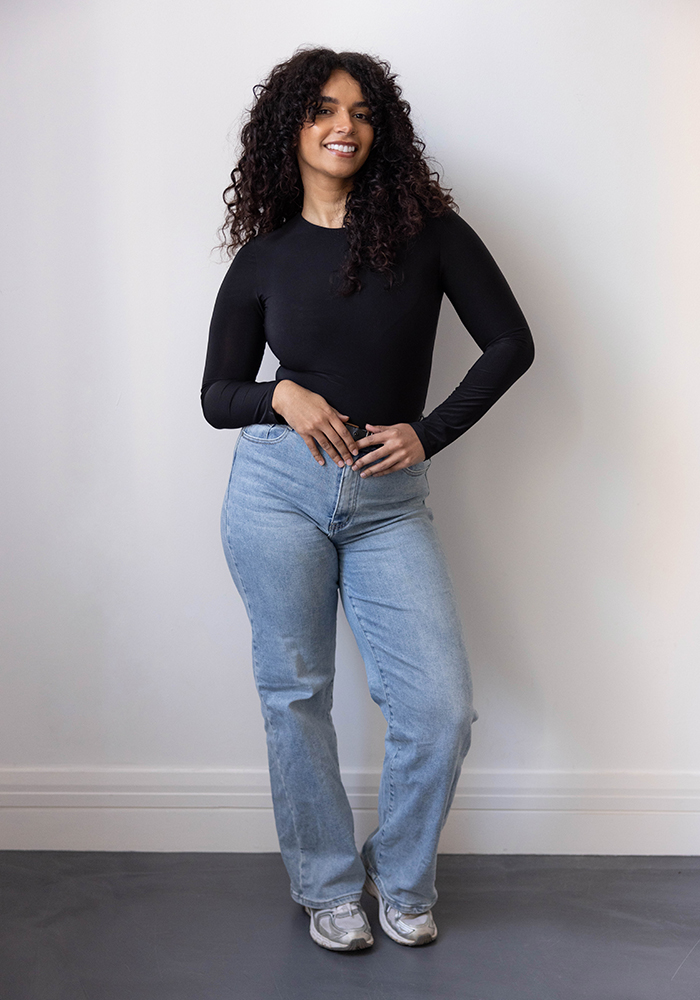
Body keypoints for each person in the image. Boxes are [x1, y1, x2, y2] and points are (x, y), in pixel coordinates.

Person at [201, 46, 534, 951]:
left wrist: (430, 431)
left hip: (390, 501)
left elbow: (510, 342)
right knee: (296, 693)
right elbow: (216, 397)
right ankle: (327, 887)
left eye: (361, 111)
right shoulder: (264, 258)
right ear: (291, 129)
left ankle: (400, 873)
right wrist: (281, 394)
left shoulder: (432, 235)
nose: (343, 126)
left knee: (439, 709)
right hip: (278, 492)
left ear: (380, 130)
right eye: (322, 109)